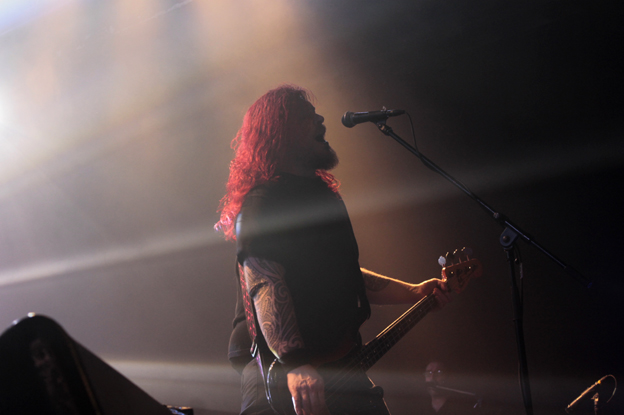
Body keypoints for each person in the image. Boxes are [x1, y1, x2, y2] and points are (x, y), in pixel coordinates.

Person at [215, 85, 451, 415]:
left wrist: (414, 292)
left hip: (337, 361)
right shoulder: (263, 202)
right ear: (281, 131)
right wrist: (295, 363)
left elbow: (347, 275)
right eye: (307, 116)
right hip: (279, 371)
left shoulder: (325, 198)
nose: (321, 120)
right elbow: (265, 283)